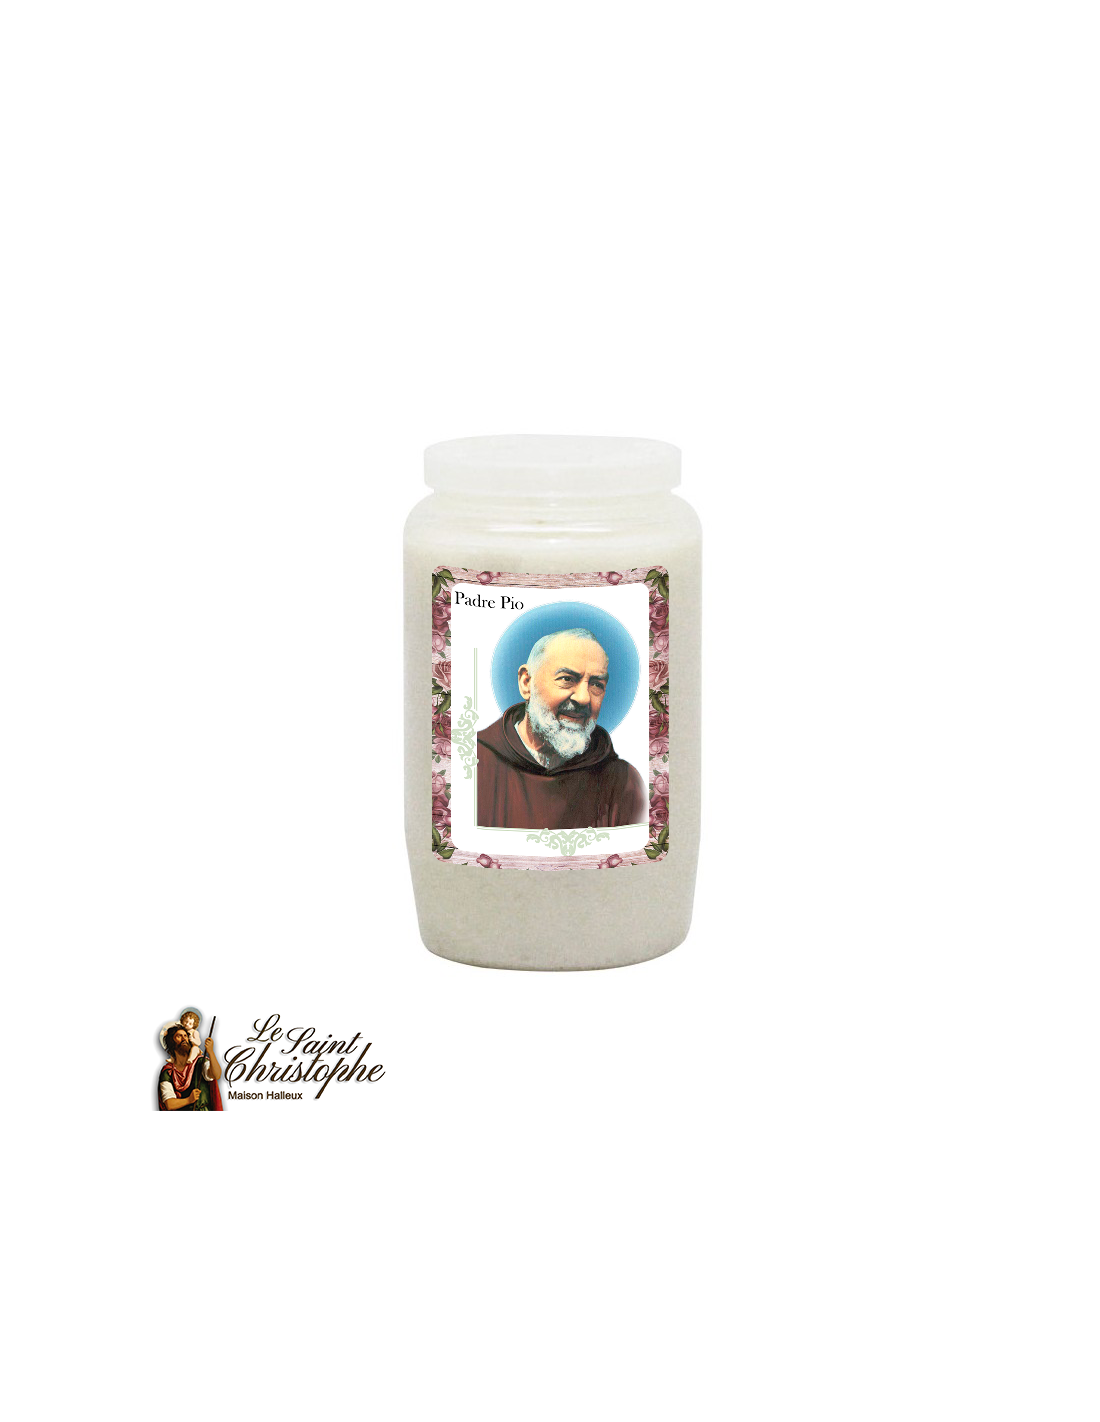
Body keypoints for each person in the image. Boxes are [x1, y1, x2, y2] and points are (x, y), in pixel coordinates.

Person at [477, 627, 647, 830]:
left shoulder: (623, 782)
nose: (583, 698)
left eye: (596, 684)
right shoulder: (474, 763)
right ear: (526, 683)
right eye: (567, 679)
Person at [158, 1020, 223, 1110]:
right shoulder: (168, 1071)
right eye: (179, 1036)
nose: (184, 1039)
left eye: (185, 1036)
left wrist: (211, 1052)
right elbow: (169, 1104)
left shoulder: (199, 1062)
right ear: (171, 1042)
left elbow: (216, 1075)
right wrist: (189, 1100)